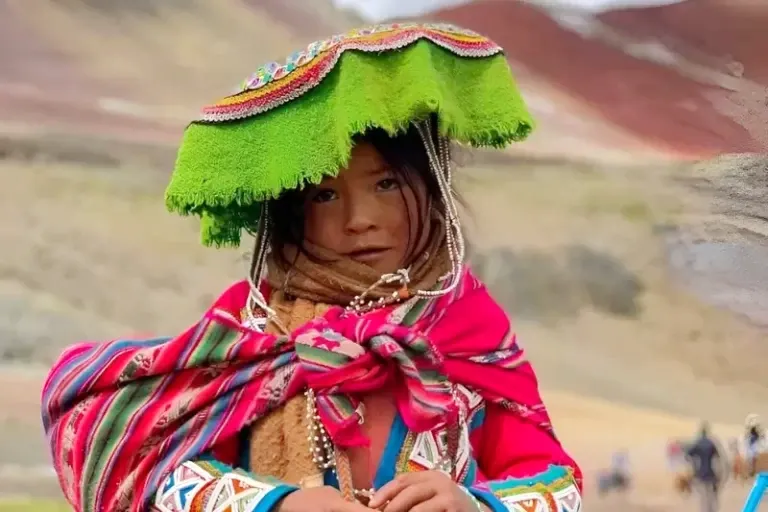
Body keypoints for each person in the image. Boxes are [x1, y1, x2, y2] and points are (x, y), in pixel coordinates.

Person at [41, 23, 582, 512]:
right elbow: (157, 468)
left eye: (386, 184)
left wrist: (473, 505)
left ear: (431, 188)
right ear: (291, 214)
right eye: (325, 196)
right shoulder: (256, 322)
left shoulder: (466, 323)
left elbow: (559, 487)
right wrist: (273, 505)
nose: (360, 219)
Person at [685, 422, 723, 512]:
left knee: (703, 494)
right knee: (712, 494)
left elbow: (688, 453)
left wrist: (693, 463)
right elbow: (718, 457)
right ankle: (712, 510)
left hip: (700, 472)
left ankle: (705, 510)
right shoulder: (711, 443)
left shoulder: (697, 443)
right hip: (711, 471)